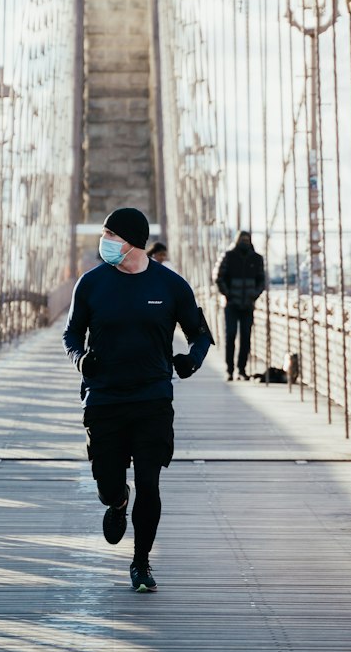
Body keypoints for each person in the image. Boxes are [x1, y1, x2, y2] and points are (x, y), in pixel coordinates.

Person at [63, 207, 213, 593]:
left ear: (132, 242)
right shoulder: (91, 284)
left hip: (152, 398)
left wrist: (191, 361)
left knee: (150, 482)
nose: (105, 241)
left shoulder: (171, 285)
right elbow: (71, 335)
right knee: (108, 485)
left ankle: (141, 564)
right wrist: (81, 360)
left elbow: (201, 334)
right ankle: (116, 503)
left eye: (111, 234)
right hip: (104, 399)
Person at [214, 229, 265, 381]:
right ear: (237, 241)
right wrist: (228, 294)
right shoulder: (228, 256)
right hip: (231, 304)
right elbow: (218, 277)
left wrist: (254, 295)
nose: (245, 242)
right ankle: (229, 370)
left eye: (247, 239)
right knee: (230, 336)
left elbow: (261, 280)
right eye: (242, 239)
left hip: (248, 304)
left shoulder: (257, 259)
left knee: (246, 337)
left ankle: (241, 370)